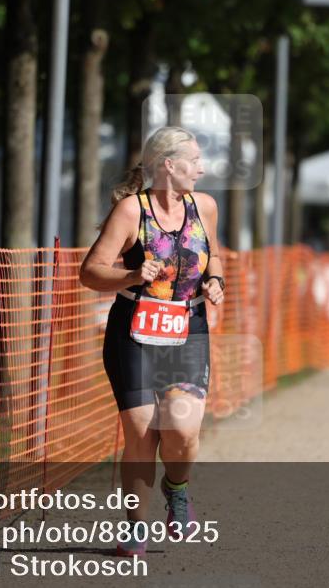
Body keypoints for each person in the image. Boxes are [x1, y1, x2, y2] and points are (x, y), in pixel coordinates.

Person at [79, 126, 225, 557]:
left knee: (180, 430)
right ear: (168, 165)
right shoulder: (130, 211)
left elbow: (213, 252)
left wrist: (214, 279)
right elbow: (90, 272)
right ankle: (136, 528)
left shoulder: (205, 207)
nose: (201, 168)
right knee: (141, 433)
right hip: (134, 331)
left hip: (186, 327)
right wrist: (130, 275)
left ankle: (177, 488)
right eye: (194, 160)